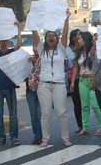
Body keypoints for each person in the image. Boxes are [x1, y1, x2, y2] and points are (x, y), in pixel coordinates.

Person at [32, 9, 71, 147]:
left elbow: (65, 33)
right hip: (44, 85)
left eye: (53, 35)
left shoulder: (61, 48)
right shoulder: (42, 49)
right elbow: (35, 35)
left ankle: (65, 138)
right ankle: (45, 139)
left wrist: (66, 19)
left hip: (59, 84)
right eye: (48, 35)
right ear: (46, 38)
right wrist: (32, 20)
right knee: (46, 113)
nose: (50, 37)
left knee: (61, 112)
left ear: (57, 38)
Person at [70, 32, 101, 137]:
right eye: (78, 39)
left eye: (80, 39)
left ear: (85, 40)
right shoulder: (79, 53)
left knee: (95, 105)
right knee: (84, 106)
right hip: (82, 80)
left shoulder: (92, 52)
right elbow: (75, 67)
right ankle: (85, 127)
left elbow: (97, 66)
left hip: (92, 79)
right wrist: (72, 82)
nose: (78, 41)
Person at [66, 29, 84, 134]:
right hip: (72, 79)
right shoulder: (68, 49)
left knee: (89, 103)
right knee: (77, 103)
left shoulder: (83, 48)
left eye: (80, 35)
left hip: (84, 77)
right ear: (72, 37)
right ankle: (80, 126)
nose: (78, 37)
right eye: (77, 35)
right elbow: (69, 63)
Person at [26, 49, 42, 145]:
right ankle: (37, 136)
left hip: (41, 91)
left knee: (40, 115)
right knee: (33, 115)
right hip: (30, 91)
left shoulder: (44, 62)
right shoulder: (28, 63)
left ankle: (41, 136)